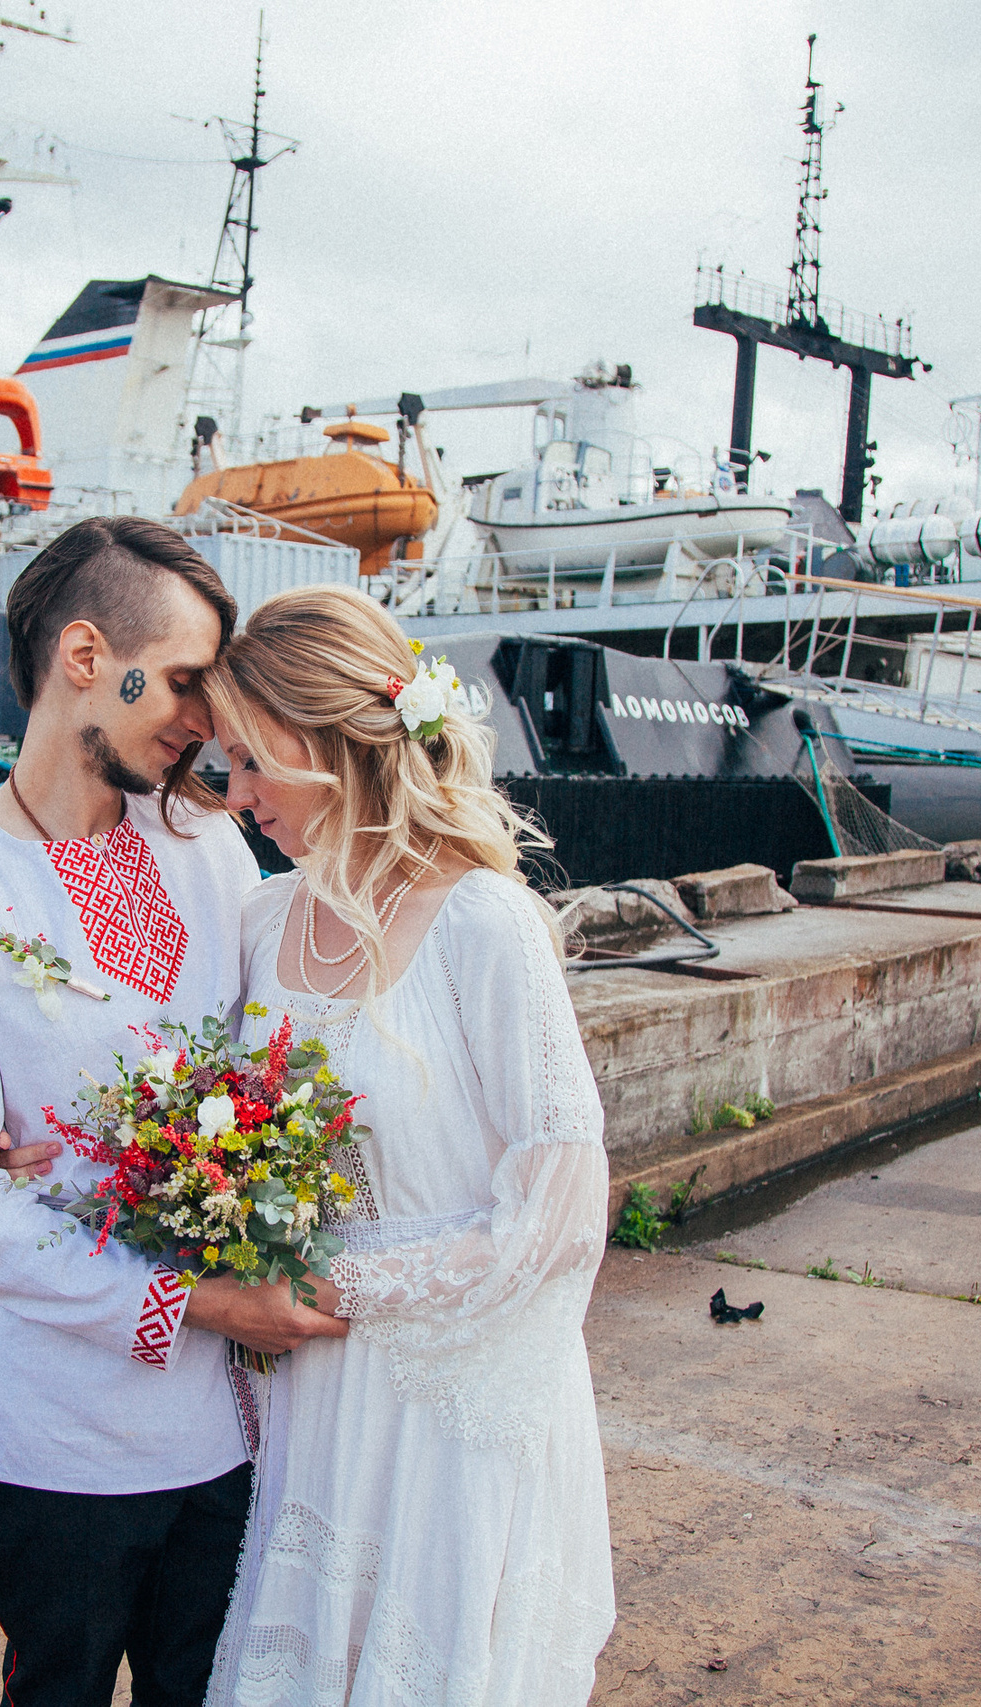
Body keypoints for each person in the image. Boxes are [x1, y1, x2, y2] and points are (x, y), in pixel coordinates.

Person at [0, 516, 346, 1707]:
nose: (201, 721)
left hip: (238, 1429)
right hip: (67, 1441)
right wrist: (190, 1298)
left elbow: (274, 1066)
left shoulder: (208, 849)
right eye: (184, 682)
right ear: (86, 656)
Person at [200, 583, 616, 1706]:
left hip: (450, 1393)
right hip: (318, 1396)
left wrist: (341, 1286)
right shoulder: (260, 923)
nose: (236, 798)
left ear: (326, 740)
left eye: (249, 762)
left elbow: (562, 1212)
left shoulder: (483, 923)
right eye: (221, 767)